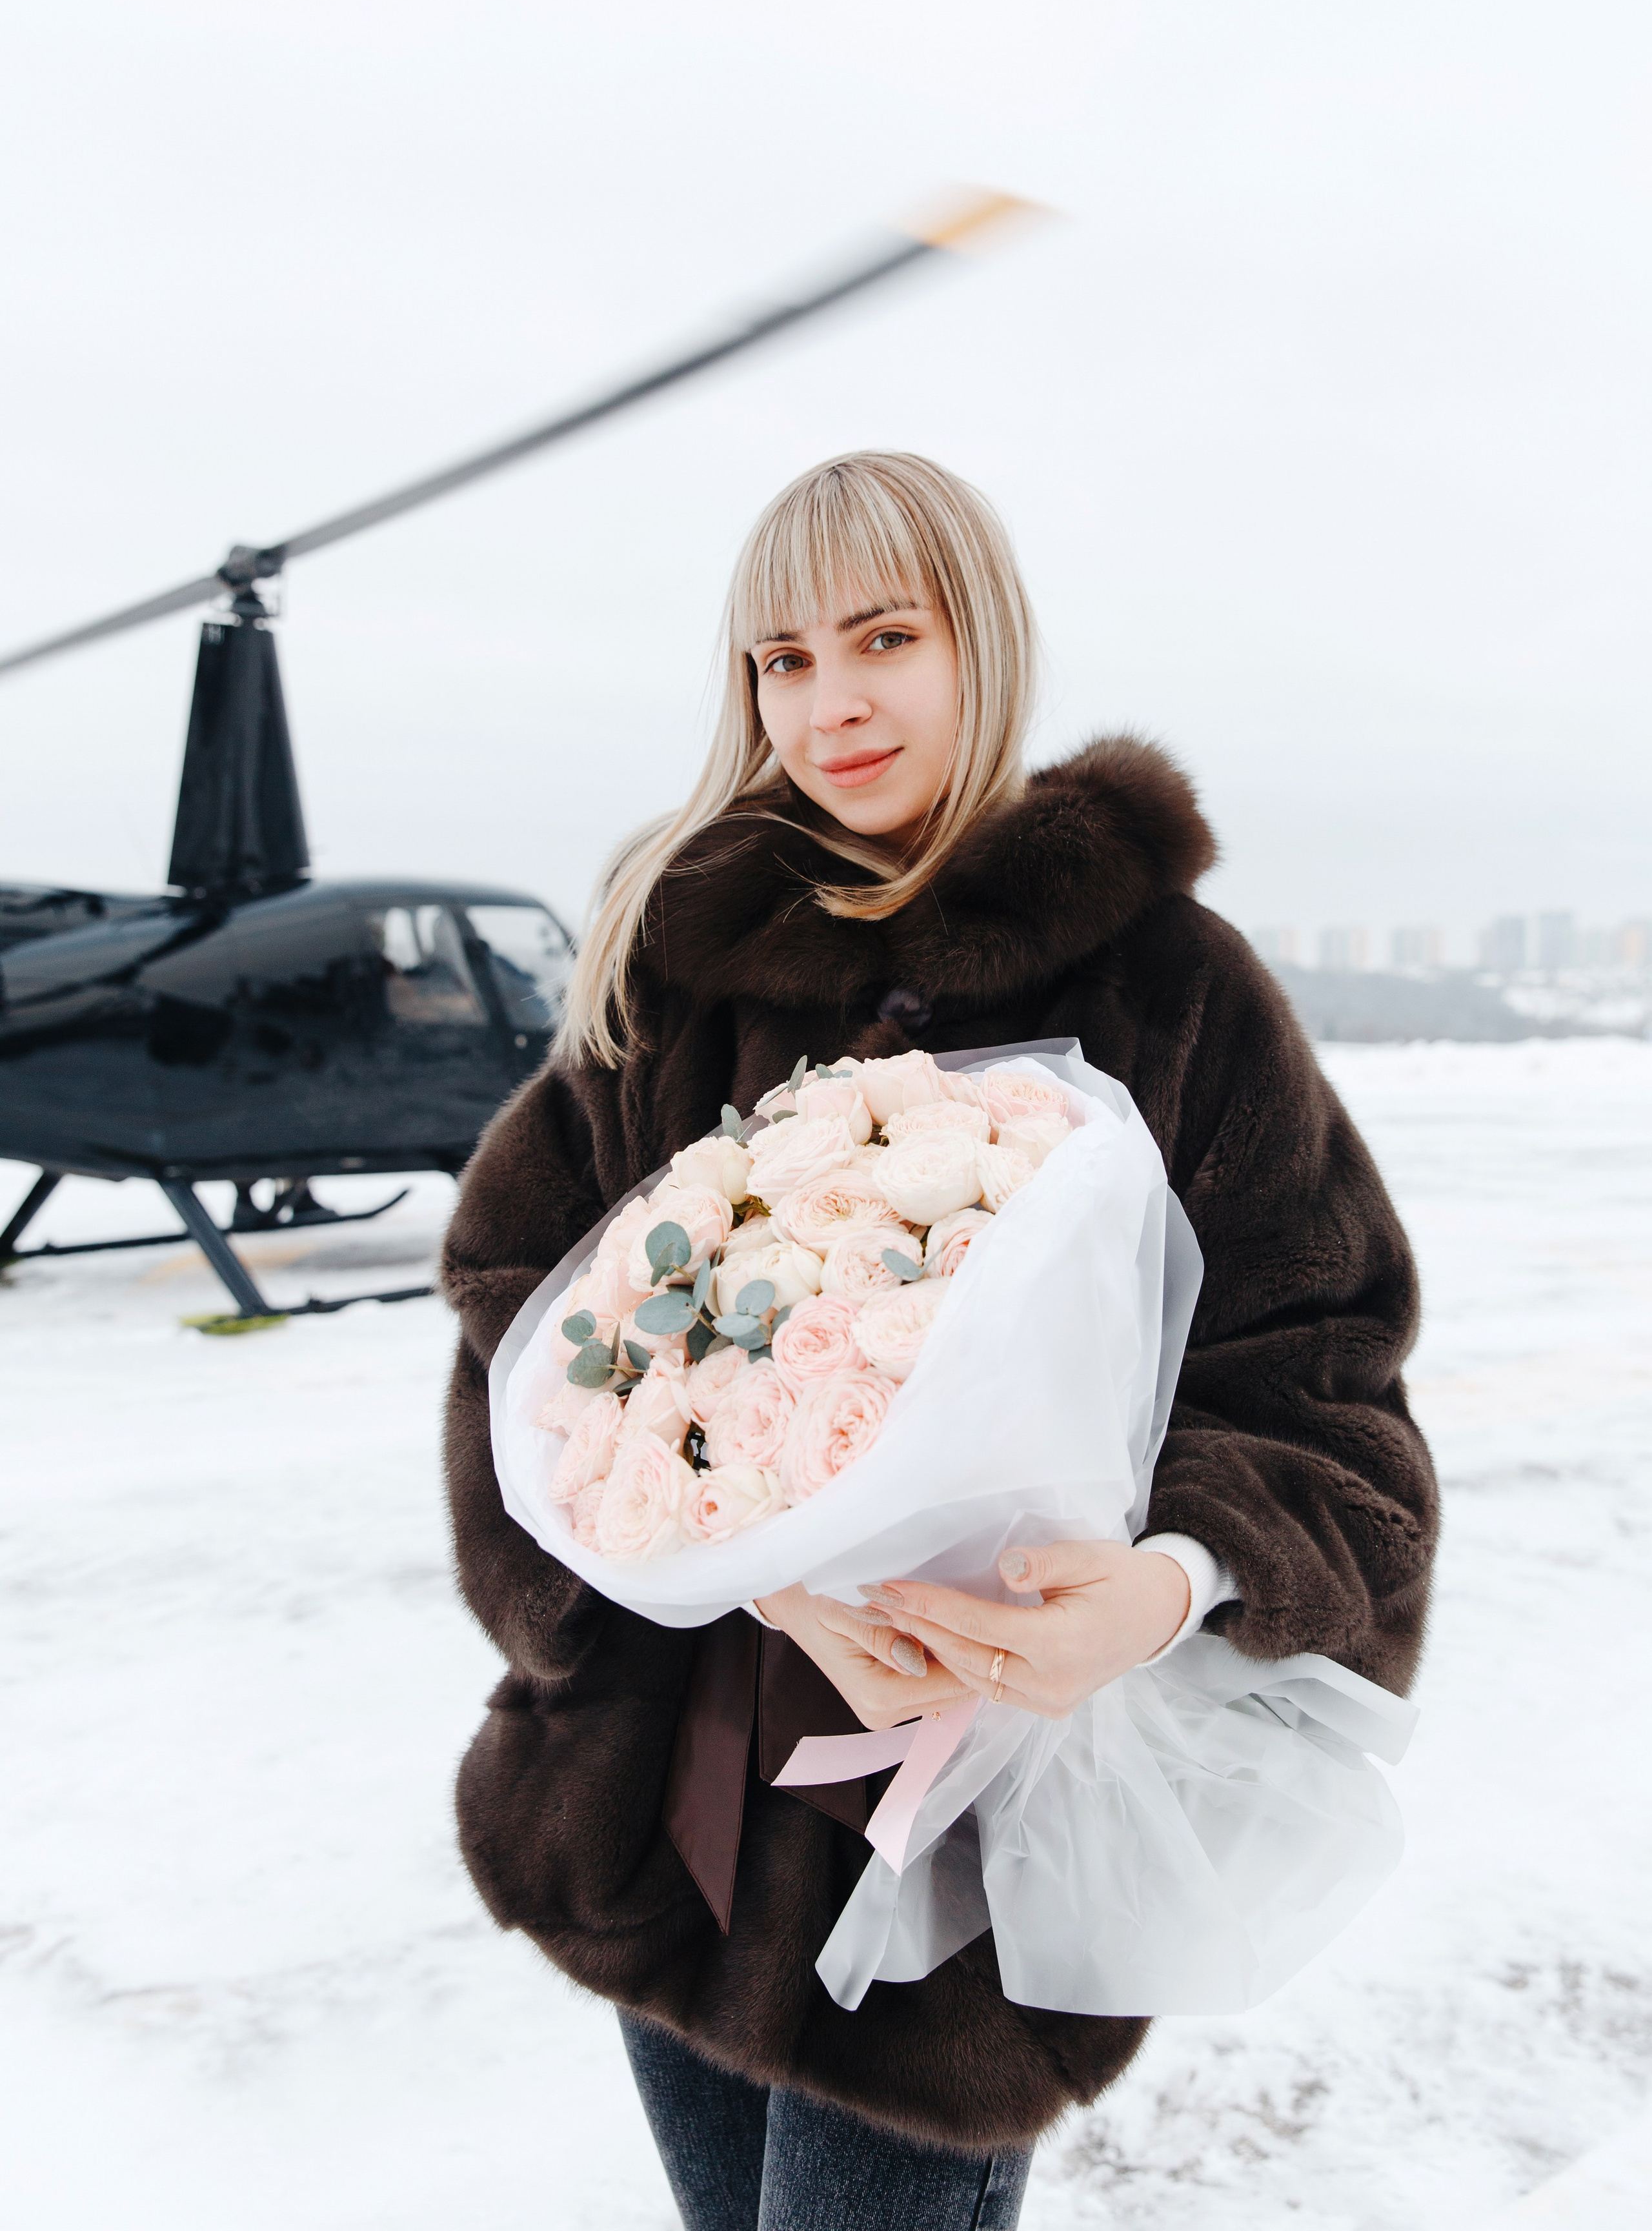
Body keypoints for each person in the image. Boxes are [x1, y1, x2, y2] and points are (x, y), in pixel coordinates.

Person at [441, 452, 1437, 2231]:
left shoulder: (1166, 987)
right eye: (783, 658)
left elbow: (1324, 1388)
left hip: (968, 1852)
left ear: (983, 641)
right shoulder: (675, 968)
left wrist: (1162, 1585)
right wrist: (728, 1555)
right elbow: (523, 1310)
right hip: (675, 1808)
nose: (831, 702)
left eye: (883, 637)